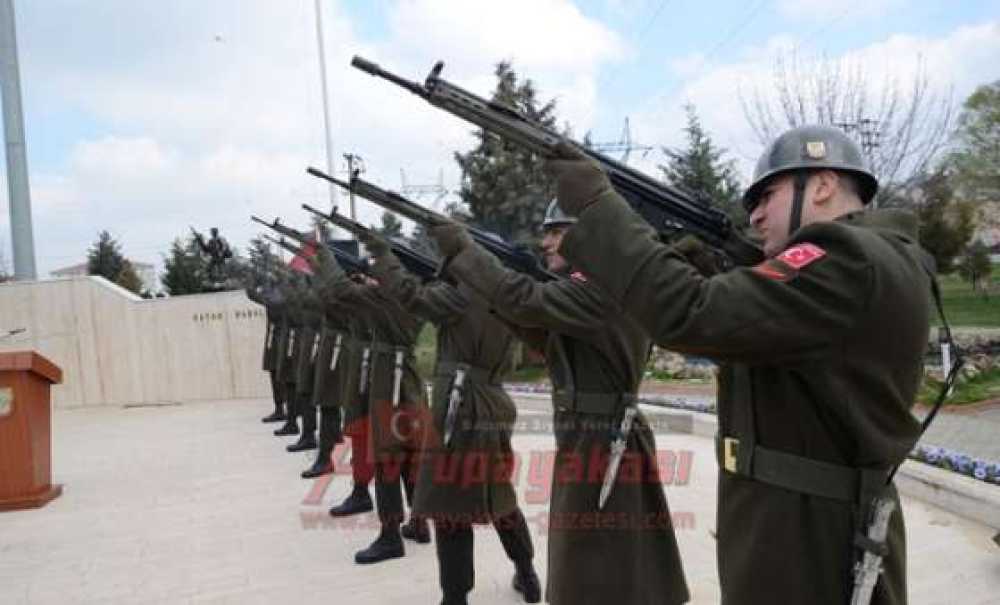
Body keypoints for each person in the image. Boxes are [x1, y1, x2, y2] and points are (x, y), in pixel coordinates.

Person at [549, 125, 931, 605]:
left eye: (767, 195)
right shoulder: (871, 259)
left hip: (811, 537)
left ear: (823, 185)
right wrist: (713, 269)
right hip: (799, 523)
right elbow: (752, 342)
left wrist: (597, 207)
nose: (755, 215)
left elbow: (692, 315)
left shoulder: (847, 258)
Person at [427, 200, 689, 605]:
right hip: (589, 435)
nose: (545, 242)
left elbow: (527, 300)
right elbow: (544, 336)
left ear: (591, 233)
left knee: (607, 561)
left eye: (556, 232)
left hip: (604, 440)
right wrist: (496, 295)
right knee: (592, 560)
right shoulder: (594, 287)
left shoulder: (602, 287)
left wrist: (464, 251)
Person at [361, 232, 540, 605]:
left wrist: (382, 253)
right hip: (493, 401)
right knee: (498, 494)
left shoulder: (462, 294)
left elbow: (410, 296)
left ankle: (455, 597)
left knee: (449, 506)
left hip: (460, 407)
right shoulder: (506, 293)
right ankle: (527, 573)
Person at [312, 247, 428, 565]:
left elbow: (339, 292)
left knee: (387, 460)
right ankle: (419, 522)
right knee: (408, 457)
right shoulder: (412, 295)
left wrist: (323, 257)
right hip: (405, 383)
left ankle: (391, 536)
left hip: (391, 383)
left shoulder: (387, 298)